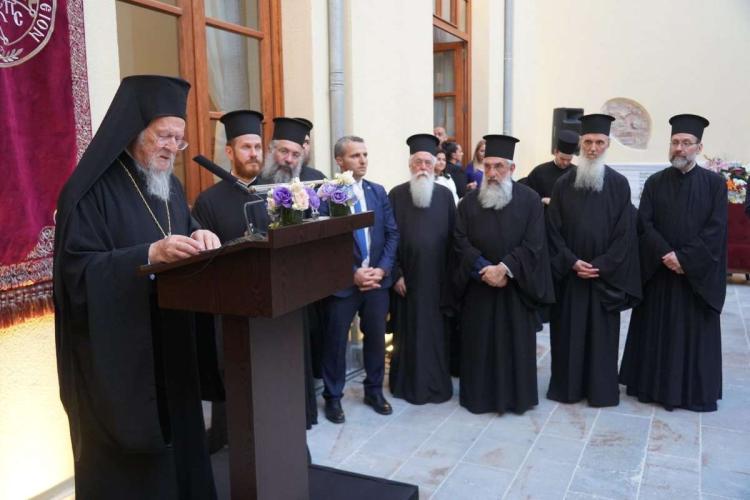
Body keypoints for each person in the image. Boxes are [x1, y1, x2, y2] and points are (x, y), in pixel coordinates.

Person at [53, 75, 221, 498]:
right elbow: (76, 273)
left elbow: (181, 228)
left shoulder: (169, 186)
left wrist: (199, 234)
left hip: (172, 344)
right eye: (163, 136)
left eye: (178, 139)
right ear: (133, 131)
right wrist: (147, 255)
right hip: (120, 361)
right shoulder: (88, 191)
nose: (172, 148)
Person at [620, 114, 726, 412]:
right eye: (675, 142)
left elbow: (716, 229)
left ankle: (691, 392)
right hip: (660, 274)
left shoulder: (715, 185)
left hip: (694, 279)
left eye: (686, 143)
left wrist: (685, 259)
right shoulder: (655, 183)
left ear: (699, 148)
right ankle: (650, 386)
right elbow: (644, 223)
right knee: (657, 332)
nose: (679, 148)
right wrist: (667, 254)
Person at [546, 113, 641, 407]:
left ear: (608, 144)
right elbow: (552, 232)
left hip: (604, 280)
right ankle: (568, 389)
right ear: (580, 144)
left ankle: (600, 390)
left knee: (602, 339)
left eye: (599, 142)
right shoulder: (563, 184)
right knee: (569, 337)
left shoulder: (619, 185)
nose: (593, 148)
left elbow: (625, 234)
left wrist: (602, 264)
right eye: (588, 142)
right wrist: (572, 261)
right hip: (571, 279)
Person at [454, 134, 554, 414]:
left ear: (512, 168)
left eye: (498, 166)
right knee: (479, 344)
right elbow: (459, 240)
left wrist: (505, 268)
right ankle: (478, 398)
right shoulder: (469, 202)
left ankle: (516, 398)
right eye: (487, 166)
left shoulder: (530, 200)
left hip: (516, 288)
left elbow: (535, 242)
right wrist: (482, 268)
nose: (492, 173)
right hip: (479, 286)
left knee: (515, 345)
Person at [319, 135, 399, 423]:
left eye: (365, 154)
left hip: (376, 282)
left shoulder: (377, 191)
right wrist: (351, 272)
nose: (363, 160)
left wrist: (383, 269)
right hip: (343, 283)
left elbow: (391, 233)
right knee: (336, 342)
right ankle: (333, 397)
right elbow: (324, 244)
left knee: (376, 339)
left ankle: (374, 391)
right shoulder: (327, 195)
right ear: (339, 161)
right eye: (355, 155)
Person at [388, 133, 456, 405]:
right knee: (408, 334)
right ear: (410, 165)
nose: (423, 168)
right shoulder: (396, 195)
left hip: (438, 281)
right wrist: (396, 273)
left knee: (436, 334)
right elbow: (388, 238)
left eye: (428, 162)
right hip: (407, 281)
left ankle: (436, 384)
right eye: (418, 162)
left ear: (436, 165)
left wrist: (451, 278)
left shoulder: (445, 196)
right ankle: (406, 385)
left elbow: (455, 239)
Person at [192, 110, 268, 239]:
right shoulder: (207, 202)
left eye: (258, 147)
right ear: (229, 152)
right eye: (246, 147)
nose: (254, 154)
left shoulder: (276, 192)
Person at [259, 117, 326, 184]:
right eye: (284, 151)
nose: (289, 159)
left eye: (295, 155)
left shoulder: (317, 181)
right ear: (271, 149)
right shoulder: (255, 181)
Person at [525, 130, 579, 205]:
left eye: (569, 160)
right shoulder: (540, 171)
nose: (565, 163)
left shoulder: (577, 173)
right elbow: (527, 195)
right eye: (562, 159)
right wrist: (542, 200)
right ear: (555, 152)